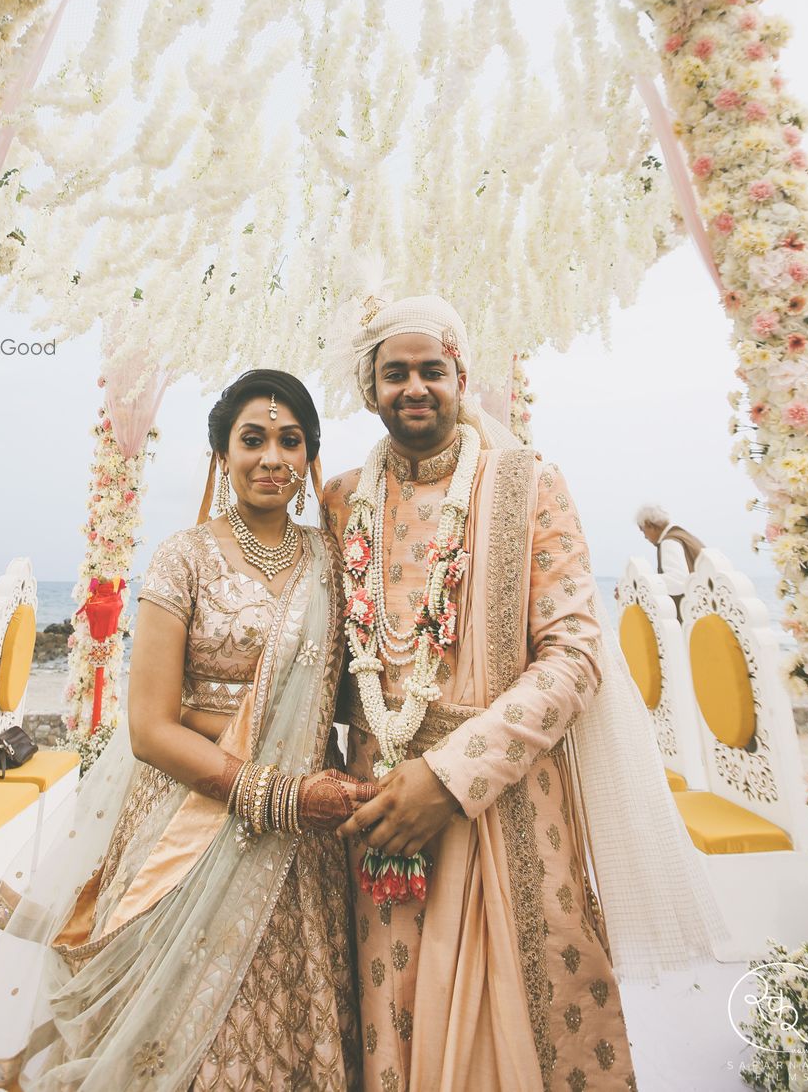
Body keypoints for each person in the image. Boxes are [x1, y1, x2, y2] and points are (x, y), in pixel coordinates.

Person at [323, 295, 725, 1092]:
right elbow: (330, 662)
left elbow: (575, 656)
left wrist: (449, 777)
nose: (414, 387)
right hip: (377, 804)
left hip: (505, 799)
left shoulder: (528, 482)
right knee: (389, 1011)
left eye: (431, 370)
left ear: (461, 377)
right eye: (394, 372)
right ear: (369, 390)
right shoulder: (341, 500)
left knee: (523, 1018)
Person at [0, 368, 374, 1092]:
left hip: (304, 845)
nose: (271, 458)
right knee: (174, 1026)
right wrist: (278, 792)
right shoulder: (184, 556)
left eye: (290, 441)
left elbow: (342, 694)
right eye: (252, 439)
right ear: (220, 455)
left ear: (310, 458)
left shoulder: (333, 562)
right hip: (190, 817)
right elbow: (147, 727)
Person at [635, 504, 704, 619]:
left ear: (649, 525)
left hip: (694, 619)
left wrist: (639, 584)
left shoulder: (669, 542)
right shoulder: (683, 536)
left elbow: (677, 581)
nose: (645, 537)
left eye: (643, 531)